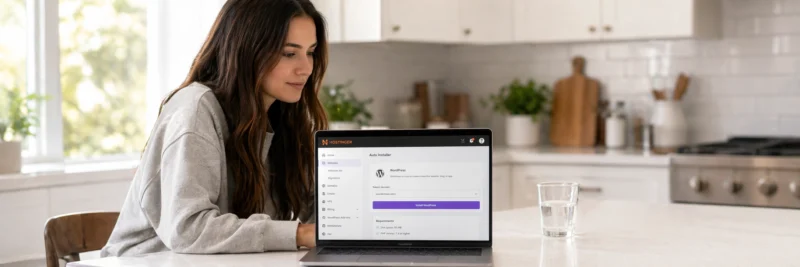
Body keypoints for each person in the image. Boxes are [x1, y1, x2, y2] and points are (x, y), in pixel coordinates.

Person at [101, 0, 327, 256]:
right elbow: (189, 229)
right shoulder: (196, 110)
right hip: (145, 262)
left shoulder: (283, 116)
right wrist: (300, 233)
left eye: (310, 52)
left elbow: (315, 207)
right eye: (289, 53)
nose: (306, 68)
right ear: (247, 49)